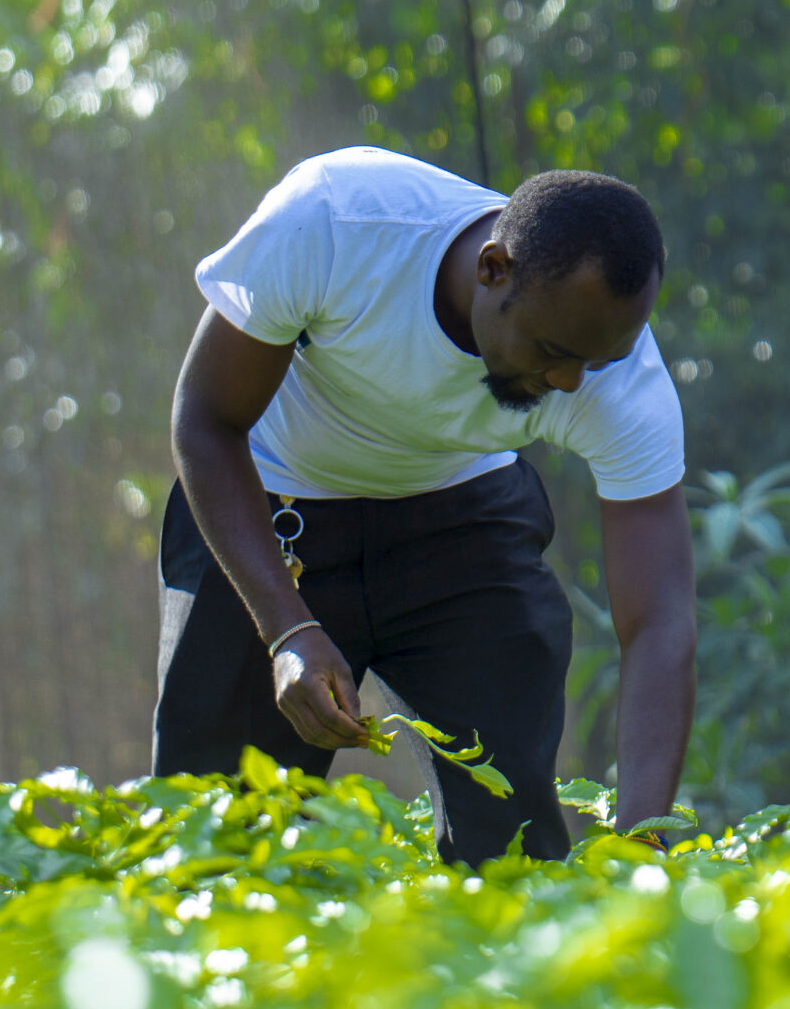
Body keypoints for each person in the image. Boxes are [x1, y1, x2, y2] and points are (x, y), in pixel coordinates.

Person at [156, 146, 696, 863]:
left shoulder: (616, 376)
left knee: (510, 846)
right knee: (216, 836)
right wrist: (287, 631)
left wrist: (644, 842)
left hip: (463, 522)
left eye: (592, 363)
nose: (569, 381)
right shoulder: (337, 218)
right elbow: (205, 422)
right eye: (551, 350)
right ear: (493, 268)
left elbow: (658, 618)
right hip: (272, 506)